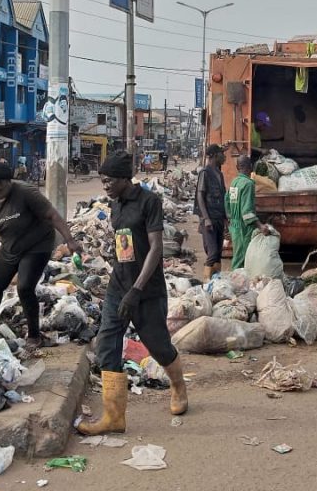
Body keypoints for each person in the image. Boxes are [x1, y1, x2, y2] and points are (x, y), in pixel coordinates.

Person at [78, 151, 188, 435]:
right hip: (118, 285)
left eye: (109, 180)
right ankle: (114, 417)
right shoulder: (115, 205)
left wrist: (137, 289)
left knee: (158, 346)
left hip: (146, 288)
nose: (105, 186)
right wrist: (121, 284)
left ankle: (178, 386)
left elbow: (156, 249)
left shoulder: (149, 202)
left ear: (125, 179)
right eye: (102, 181)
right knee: (106, 344)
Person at [0, 161, 81, 349]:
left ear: (8, 182)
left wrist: (70, 240)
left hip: (37, 245)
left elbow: (52, 216)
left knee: (24, 287)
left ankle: (34, 335)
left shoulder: (25, 193)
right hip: (10, 248)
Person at [225, 155, 265, 269]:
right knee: (242, 259)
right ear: (251, 167)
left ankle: (237, 281)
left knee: (238, 256)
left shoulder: (234, 182)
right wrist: (260, 226)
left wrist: (230, 218)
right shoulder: (248, 184)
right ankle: (237, 283)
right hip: (244, 228)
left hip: (234, 226)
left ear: (237, 167)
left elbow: (227, 200)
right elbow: (246, 212)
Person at [195, 144, 228, 280]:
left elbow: (222, 196)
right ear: (214, 155)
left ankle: (216, 283)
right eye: (221, 153)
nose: (224, 156)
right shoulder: (205, 173)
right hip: (209, 219)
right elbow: (200, 196)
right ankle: (206, 280)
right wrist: (206, 218)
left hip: (219, 218)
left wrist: (225, 218)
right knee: (212, 252)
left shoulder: (219, 173)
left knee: (218, 253)